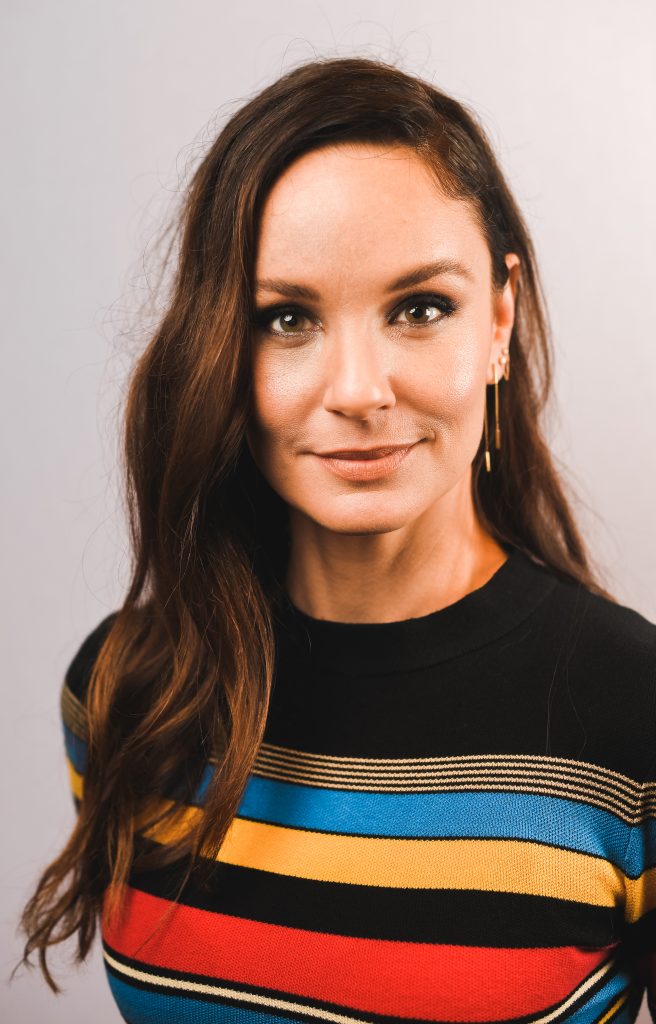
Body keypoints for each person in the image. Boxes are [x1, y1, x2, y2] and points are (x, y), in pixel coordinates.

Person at [18, 55, 656, 1023]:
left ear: (498, 318)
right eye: (286, 319)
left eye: (419, 308)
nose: (357, 390)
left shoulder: (633, 715)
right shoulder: (126, 691)